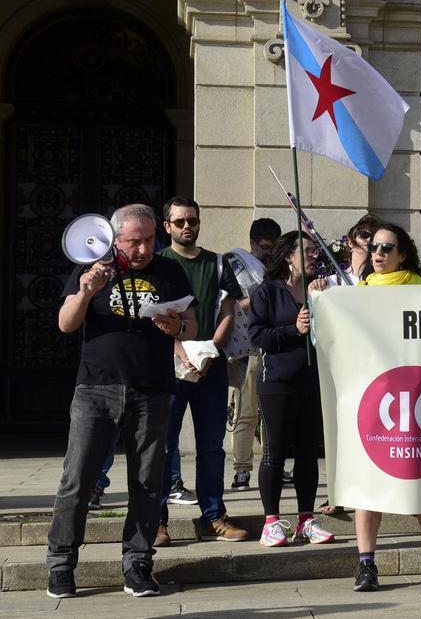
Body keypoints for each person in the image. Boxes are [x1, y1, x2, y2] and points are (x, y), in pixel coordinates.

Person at [47, 204, 198, 598]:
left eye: (149, 240)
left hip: (152, 389)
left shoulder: (168, 270)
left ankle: (138, 564)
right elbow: (66, 323)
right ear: (116, 239)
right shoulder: (92, 270)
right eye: (134, 241)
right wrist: (85, 292)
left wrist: (177, 326)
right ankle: (61, 565)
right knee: (76, 480)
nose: (143, 249)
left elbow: (192, 322)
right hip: (97, 388)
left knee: (148, 483)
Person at [347, 223, 421, 591]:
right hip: (374, 400)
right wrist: (317, 299)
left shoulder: (419, 286)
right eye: (373, 246)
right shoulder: (356, 292)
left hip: (417, 398)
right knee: (368, 483)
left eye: (386, 247)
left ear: (403, 254)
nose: (377, 252)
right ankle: (366, 564)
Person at [156, 197, 248, 546]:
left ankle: (213, 516)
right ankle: (157, 520)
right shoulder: (159, 262)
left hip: (211, 366)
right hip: (168, 368)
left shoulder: (216, 262)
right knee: (164, 447)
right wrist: (180, 351)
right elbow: (155, 316)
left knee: (211, 446)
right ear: (167, 226)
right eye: (178, 221)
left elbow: (228, 309)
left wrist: (211, 350)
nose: (186, 226)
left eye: (191, 220)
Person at [248, 231, 334, 548]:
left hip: (312, 382)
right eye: (308, 250)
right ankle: (271, 522)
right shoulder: (267, 292)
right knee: (275, 452)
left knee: (308, 454)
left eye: (315, 250)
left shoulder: (320, 290)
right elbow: (258, 337)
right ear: (289, 255)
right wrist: (292, 329)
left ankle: (306, 519)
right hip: (277, 383)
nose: (314, 255)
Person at [227, 217, 280, 491]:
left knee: (273, 414)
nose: (268, 252)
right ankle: (242, 470)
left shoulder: (280, 267)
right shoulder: (237, 263)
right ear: (252, 244)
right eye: (264, 247)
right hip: (249, 345)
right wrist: (262, 291)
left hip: (275, 344)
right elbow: (235, 306)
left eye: (273, 247)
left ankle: (274, 463)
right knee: (245, 412)